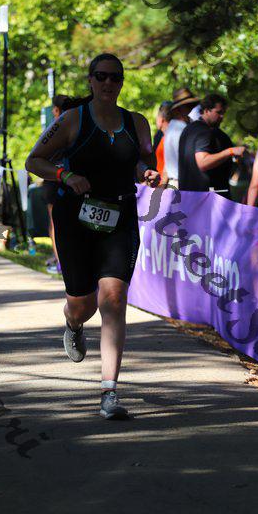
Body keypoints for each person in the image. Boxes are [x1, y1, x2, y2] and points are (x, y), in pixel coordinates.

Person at [25, 53, 160, 420]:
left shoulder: (137, 122)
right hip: (76, 218)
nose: (108, 83)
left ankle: (109, 392)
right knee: (83, 305)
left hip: (119, 216)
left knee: (113, 298)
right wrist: (65, 176)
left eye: (115, 77)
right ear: (90, 80)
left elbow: (142, 160)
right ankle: (73, 323)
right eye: (101, 76)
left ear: (122, 82)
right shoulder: (73, 119)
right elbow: (33, 160)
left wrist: (146, 173)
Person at [178, 93, 245, 195]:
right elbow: (202, 162)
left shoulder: (188, 129)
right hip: (206, 197)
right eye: (219, 112)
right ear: (206, 111)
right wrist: (230, 151)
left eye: (223, 113)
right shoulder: (204, 132)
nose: (222, 117)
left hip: (188, 195)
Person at [41, 94, 69, 274]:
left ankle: (61, 262)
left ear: (56, 110)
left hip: (56, 179)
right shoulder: (78, 126)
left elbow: (38, 157)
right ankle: (62, 261)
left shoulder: (52, 129)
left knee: (55, 224)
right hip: (67, 179)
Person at [164, 88, 200, 188]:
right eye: (188, 106)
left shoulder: (173, 126)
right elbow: (190, 162)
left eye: (193, 105)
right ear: (178, 110)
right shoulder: (181, 130)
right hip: (182, 184)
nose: (192, 109)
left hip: (177, 183)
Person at [154, 101, 173, 180]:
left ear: (161, 119)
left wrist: (161, 186)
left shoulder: (170, 138)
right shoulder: (160, 135)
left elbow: (168, 168)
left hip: (166, 184)